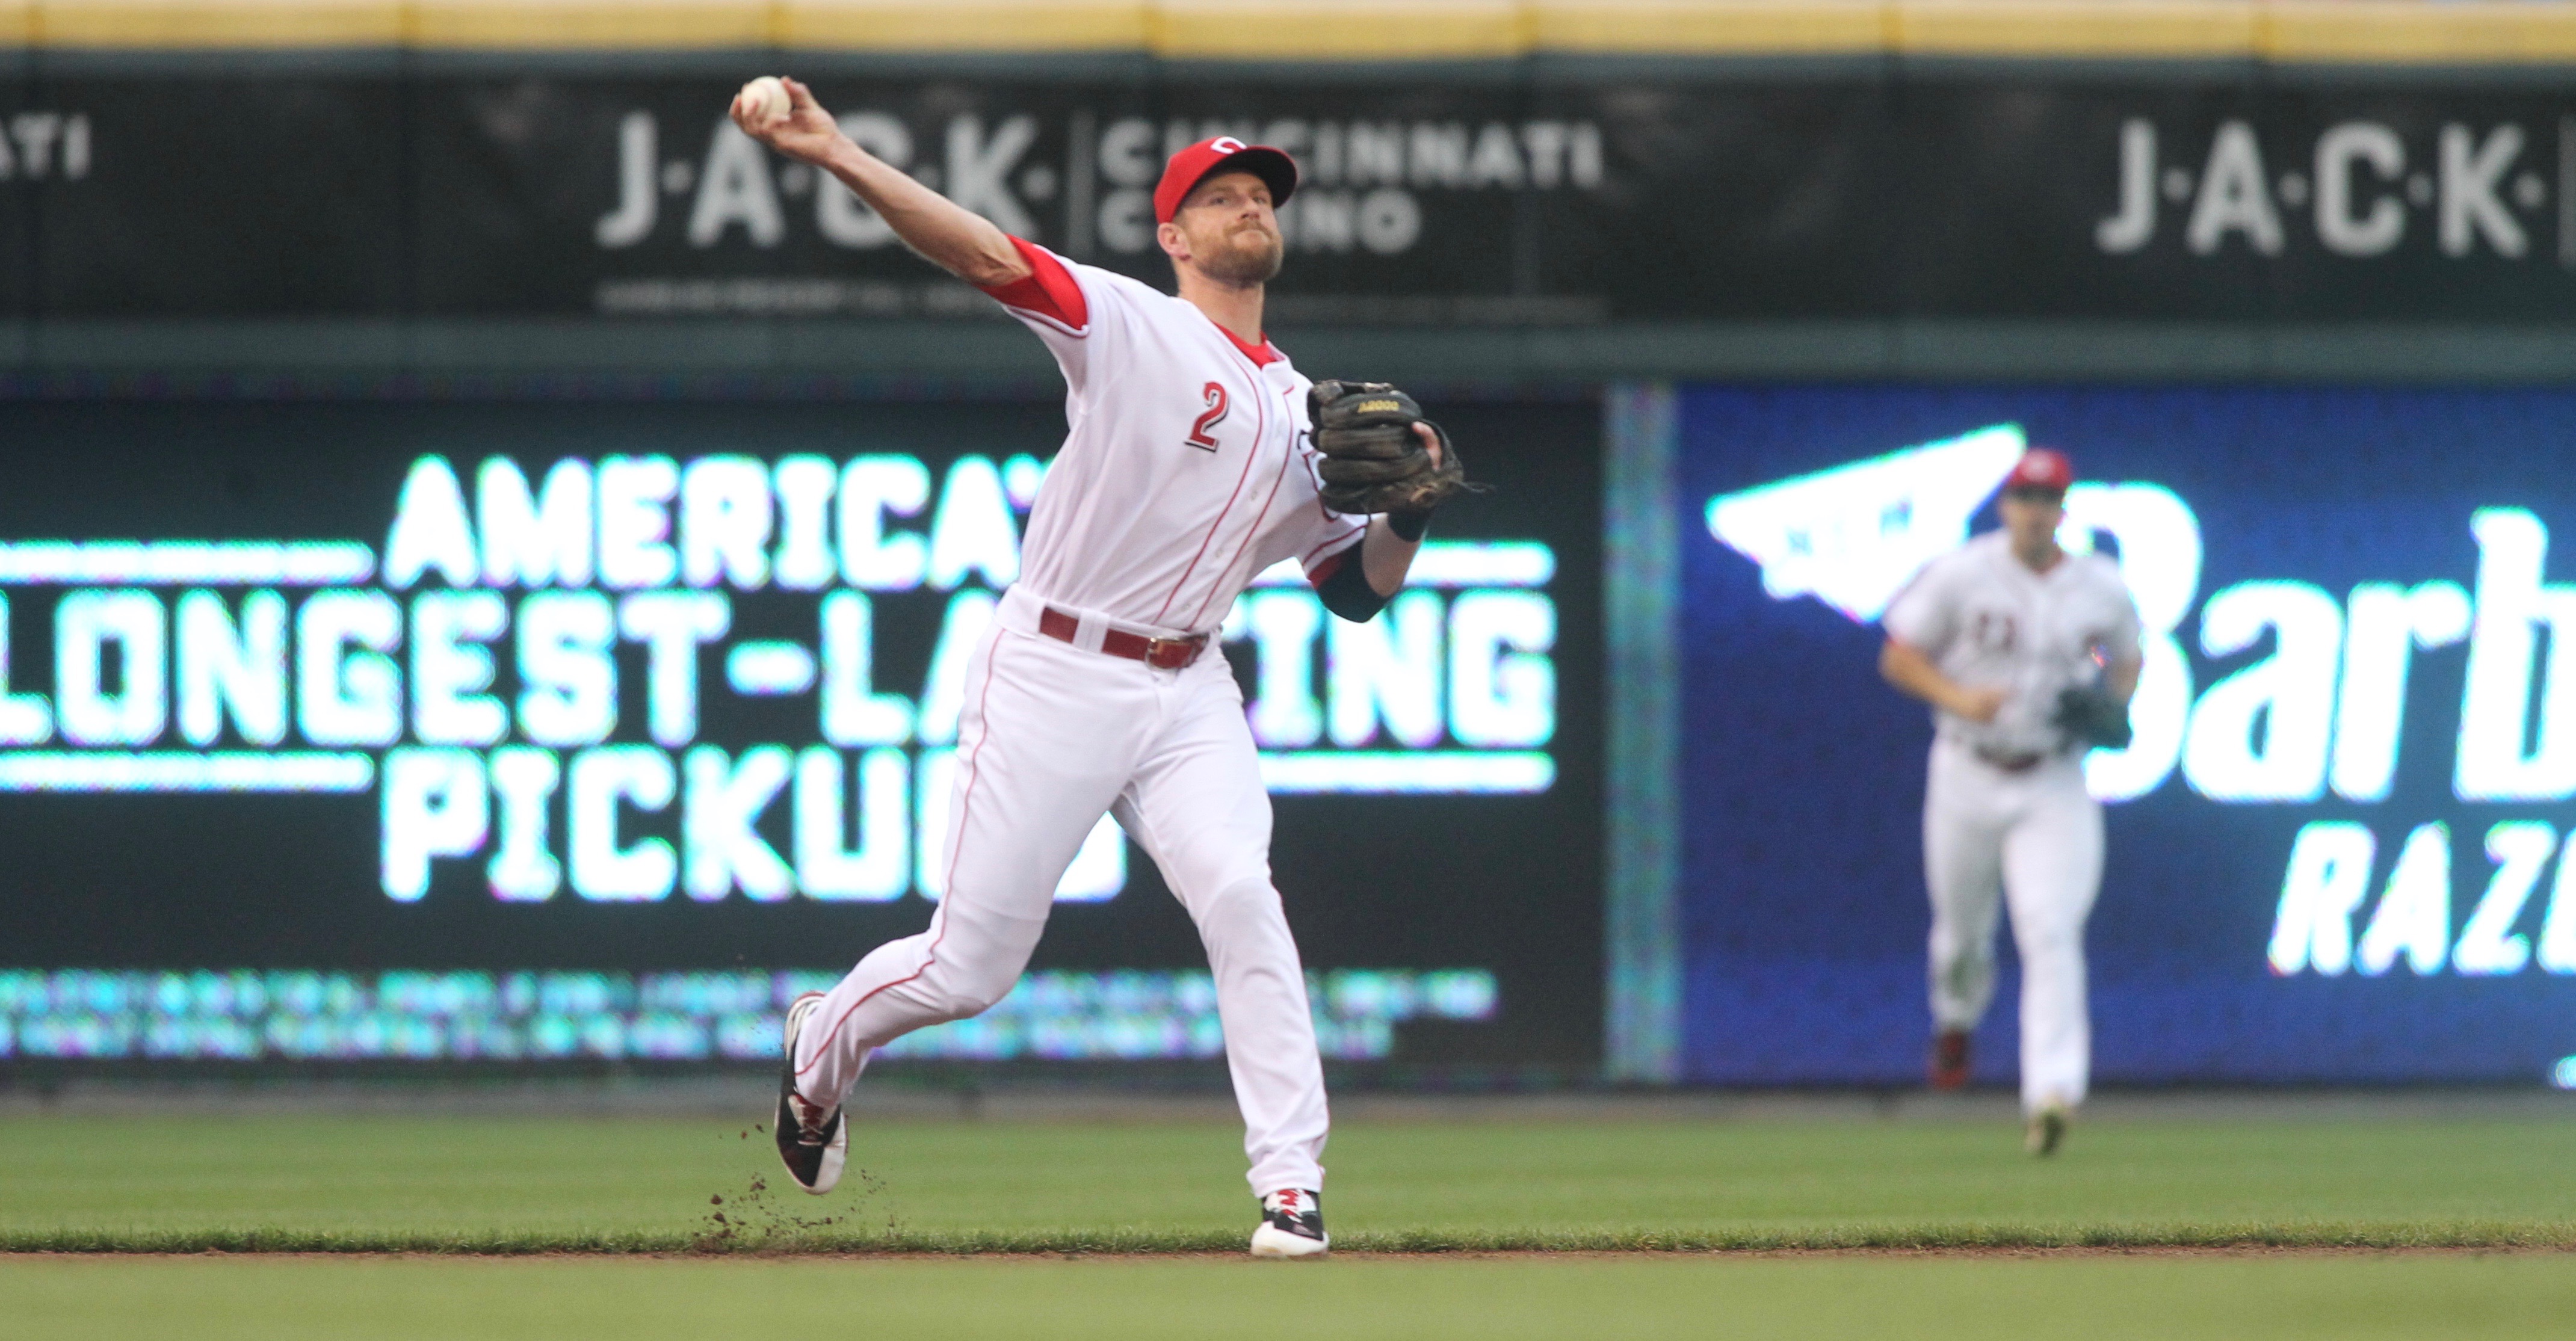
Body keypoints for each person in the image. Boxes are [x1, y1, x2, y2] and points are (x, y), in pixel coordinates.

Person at [731, 79, 1453, 1256]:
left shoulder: (1303, 412)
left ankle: (1290, 1185)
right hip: (1057, 664)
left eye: (1257, 194)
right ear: (1173, 236)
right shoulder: (1127, 321)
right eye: (1217, 196)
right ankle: (820, 1048)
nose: (1245, 208)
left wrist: (1411, 515)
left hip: (1187, 685)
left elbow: (1353, 591)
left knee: (1238, 892)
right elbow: (975, 248)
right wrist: (835, 153)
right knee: (967, 969)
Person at [1877, 448, 2140, 1156]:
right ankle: (1955, 1020)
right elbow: (1899, 653)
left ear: (2064, 508)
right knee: (1962, 937)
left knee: (2050, 930)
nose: (2035, 510)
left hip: (2053, 778)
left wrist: (2112, 700)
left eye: (2048, 498)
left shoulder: (2100, 585)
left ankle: (2052, 1095)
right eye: (2024, 496)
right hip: (1967, 767)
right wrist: (1960, 698)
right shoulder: (1964, 572)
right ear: (2004, 505)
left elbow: (2128, 655)